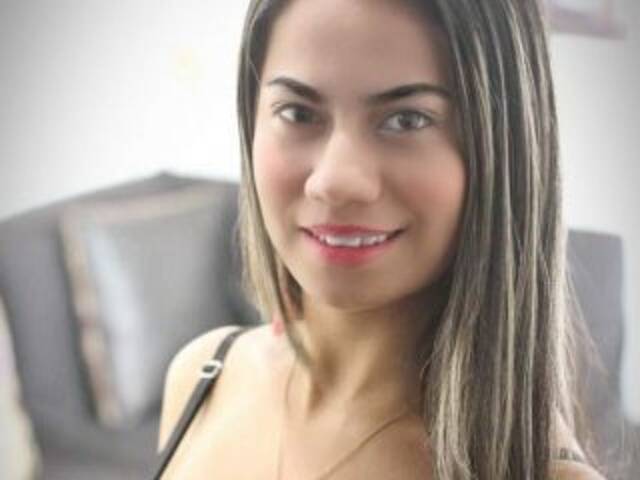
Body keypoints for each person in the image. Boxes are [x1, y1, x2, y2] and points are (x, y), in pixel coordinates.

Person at [156, 0, 607, 478]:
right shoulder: (203, 376)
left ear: (504, 149)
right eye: (298, 112)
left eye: (407, 120)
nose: (335, 181)